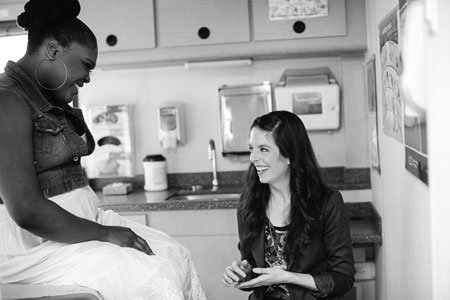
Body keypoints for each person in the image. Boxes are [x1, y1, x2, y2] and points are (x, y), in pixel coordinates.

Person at [0, 0, 206, 299]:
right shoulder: (7, 101)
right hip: (32, 246)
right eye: (86, 65)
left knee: (175, 254)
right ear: (54, 50)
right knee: (154, 278)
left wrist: (102, 230)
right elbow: (27, 211)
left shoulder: (47, 98)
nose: (87, 77)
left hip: (82, 229)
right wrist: (106, 234)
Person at [222, 111, 355, 300]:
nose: (253, 158)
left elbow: (343, 278)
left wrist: (289, 277)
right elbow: (251, 263)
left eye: (264, 149)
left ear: (290, 155)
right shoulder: (248, 203)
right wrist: (243, 272)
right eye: (252, 148)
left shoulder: (328, 202)